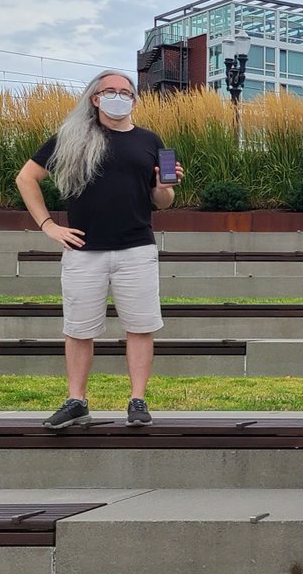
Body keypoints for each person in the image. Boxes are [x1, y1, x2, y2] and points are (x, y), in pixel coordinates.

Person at [15, 71, 181, 429]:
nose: (118, 97)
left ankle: (137, 400)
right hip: (84, 250)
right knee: (78, 329)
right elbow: (26, 178)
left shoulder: (150, 140)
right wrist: (48, 225)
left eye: (126, 92)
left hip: (136, 249)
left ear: (134, 100)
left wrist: (164, 186)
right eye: (110, 91)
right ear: (95, 98)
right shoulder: (71, 136)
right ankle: (77, 401)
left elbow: (162, 201)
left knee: (141, 326)